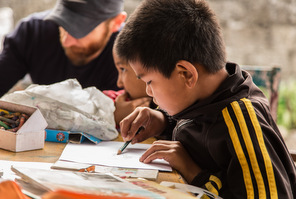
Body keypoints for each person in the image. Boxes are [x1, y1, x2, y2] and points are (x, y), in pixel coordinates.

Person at [115, 0, 296, 198]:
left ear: (186, 74)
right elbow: (200, 129)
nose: (148, 92)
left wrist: (194, 172)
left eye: (149, 81)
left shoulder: (243, 124)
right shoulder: (204, 98)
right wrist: (163, 122)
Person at [0, 0, 127, 97]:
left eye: (80, 29)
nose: (66, 41)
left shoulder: (131, 54)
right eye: (63, 23)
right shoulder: (33, 32)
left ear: (116, 22)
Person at [103, 47, 156, 126]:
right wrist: (112, 115)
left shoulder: (176, 109)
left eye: (123, 69)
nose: (119, 83)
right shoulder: (111, 103)